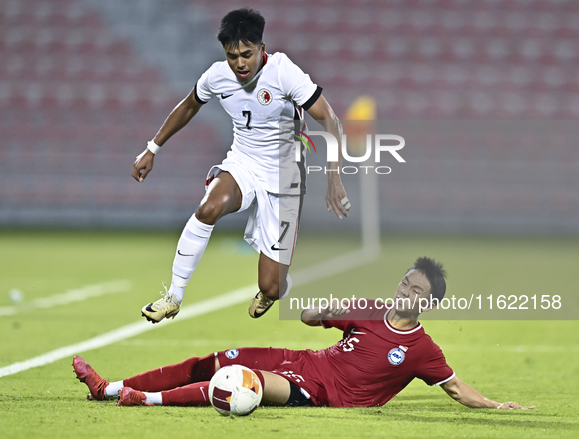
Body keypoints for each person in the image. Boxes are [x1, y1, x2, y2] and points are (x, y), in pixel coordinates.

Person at [73, 257, 533, 410]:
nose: (403, 290)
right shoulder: (370, 310)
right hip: (302, 361)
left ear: (427, 303)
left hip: (318, 392)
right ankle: (108, 387)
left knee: (238, 382)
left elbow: (453, 387)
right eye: (403, 281)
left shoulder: (422, 349)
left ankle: (141, 399)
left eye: (415, 289)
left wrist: (495, 404)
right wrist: (321, 310)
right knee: (217, 359)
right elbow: (310, 318)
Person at [132, 8, 350, 323]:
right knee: (209, 208)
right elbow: (190, 104)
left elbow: (329, 118)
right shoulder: (217, 75)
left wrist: (334, 177)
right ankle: (174, 296)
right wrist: (152, 148)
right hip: (243, 163)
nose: (240, 63)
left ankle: (271, 291)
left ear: (262, 48)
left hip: (284, 176)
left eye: (247, 54)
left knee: (272, 286)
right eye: (232, 56)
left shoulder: (283, 72)